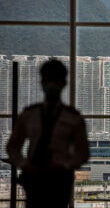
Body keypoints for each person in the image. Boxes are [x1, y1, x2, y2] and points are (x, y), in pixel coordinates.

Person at [7, 59, 90, 208]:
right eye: (48, 79)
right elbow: (12, 147)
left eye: (55, 80)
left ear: (63, 83)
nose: (51, 85)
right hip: (34, 176)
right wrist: (25, 165)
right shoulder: (29, 114)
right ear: (42, 82)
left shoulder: (73, 118)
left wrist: (65, 166)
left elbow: (82, 153)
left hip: (60, 178)